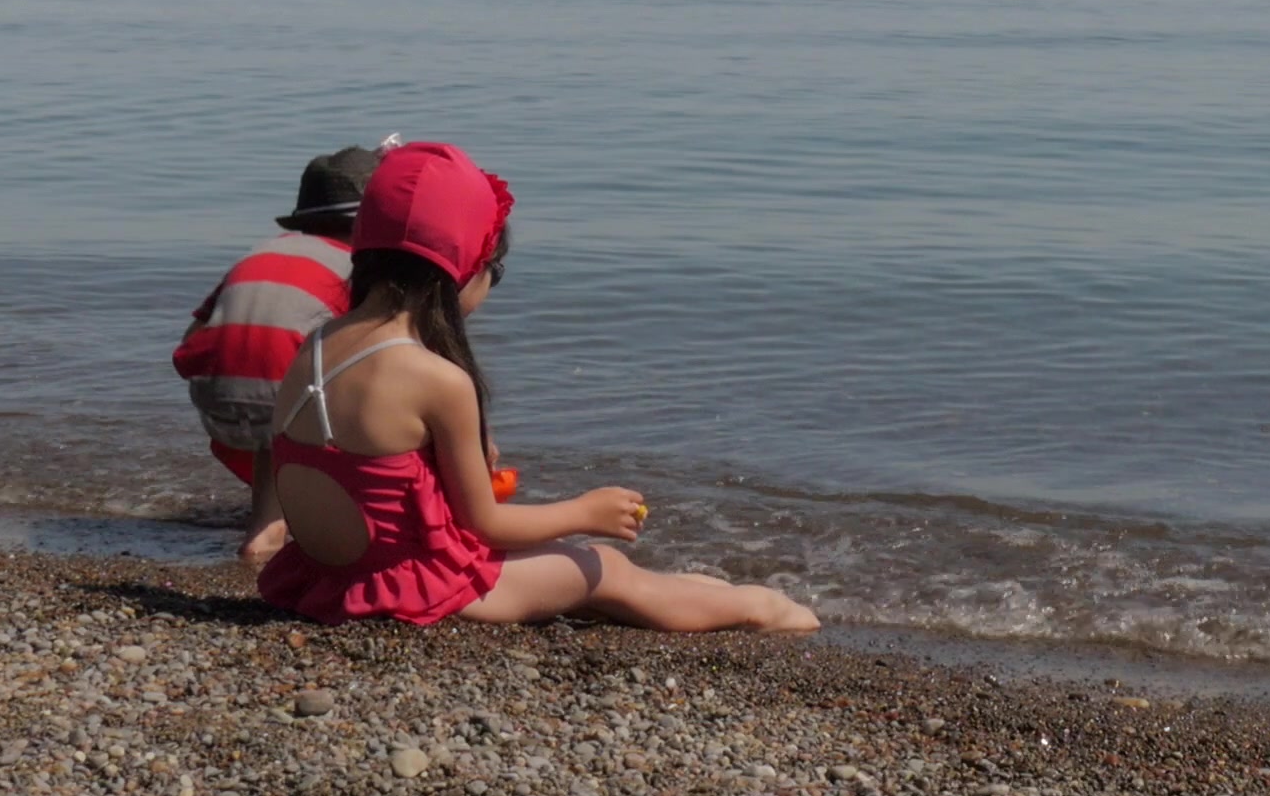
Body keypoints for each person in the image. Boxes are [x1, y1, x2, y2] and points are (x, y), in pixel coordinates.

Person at [245, 142, 816, 633]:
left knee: (584, 568)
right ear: (464, 268)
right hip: (414, 589)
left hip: (329, 577)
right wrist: (585, 510)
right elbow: (486, 526)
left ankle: (708, 590)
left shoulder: (314, 345)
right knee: (602, 568)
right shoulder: (436, 378)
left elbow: (362, 474)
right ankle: (766, 610)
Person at [173, 147, 386, 507]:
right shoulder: (360, 268)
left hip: (219, 411)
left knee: (283, 383)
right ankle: (305, 512)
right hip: (290, 417)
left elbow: (190, 344)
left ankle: (274, 515)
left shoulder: (262, 254)